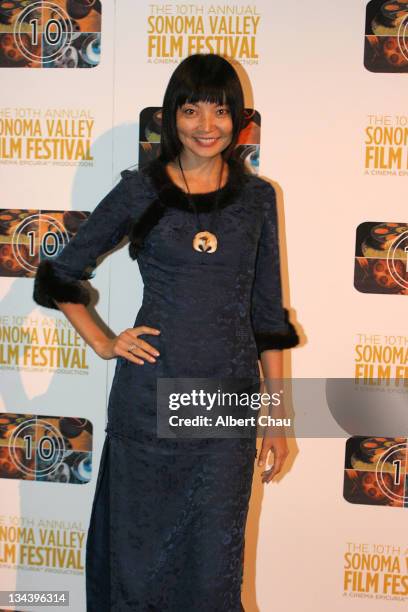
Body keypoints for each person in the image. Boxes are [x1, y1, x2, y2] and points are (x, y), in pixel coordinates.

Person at [33, 53, 299, 612]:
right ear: (170, 117)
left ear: (239, 120)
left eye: (221, 111)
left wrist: (278, 423)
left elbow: (268, 319)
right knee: (138, 565)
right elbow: (60, 274)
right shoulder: (140, 191)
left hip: (224, 410)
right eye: (191, 109)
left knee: (212, 574)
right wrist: (105, 341)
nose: (206, 125)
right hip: (149, 403)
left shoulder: (257, 199)